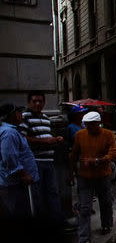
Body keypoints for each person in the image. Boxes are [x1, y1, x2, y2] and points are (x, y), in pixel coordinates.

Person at [69, 111, 116, 243]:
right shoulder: (80, 135)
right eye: (86, 125)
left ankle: (107, 224)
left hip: (103, 175)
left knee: (106, 202)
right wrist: (70, 173)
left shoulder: (108, 134)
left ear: (98, 123)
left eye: (91, 124)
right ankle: (84, 238)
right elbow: (74, 154)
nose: (88, 127)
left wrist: (97, 161)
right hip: (84, 176)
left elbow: (113, 153)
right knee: (84, 207)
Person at [19, 91, 67, 224]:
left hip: (49, 162)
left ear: (44, 103)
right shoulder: (24, 117)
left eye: (40, 101)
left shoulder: (46, 118)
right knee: (37, 195)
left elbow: (46, 136)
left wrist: (57, 139)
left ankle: (57, 221)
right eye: (34, 101)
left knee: (53, 192)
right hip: (35, 162)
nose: (37, 103)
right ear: (29, 102)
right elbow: (22, 139)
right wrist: (44, 142)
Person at [0, 104, 39, 218]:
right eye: (18, 112)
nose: (21, 115)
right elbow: (9, 158)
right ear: (13, 115)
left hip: (15, 184)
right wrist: (24, 174)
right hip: (14, 185)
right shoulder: (9, 133)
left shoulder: (10, 131)